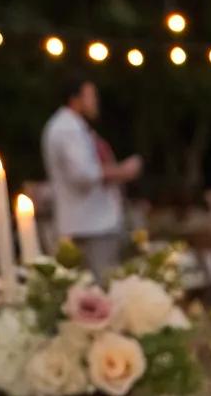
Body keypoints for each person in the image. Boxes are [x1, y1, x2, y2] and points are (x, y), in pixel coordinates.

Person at [41, 75, 142, 278]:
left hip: (92, 224)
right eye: (91, 96)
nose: (96, 101)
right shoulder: (67, 128)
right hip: (89, 227)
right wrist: (123, 170)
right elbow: (83, 173)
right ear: (75, 99)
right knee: (100, 285)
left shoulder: (73, 126)